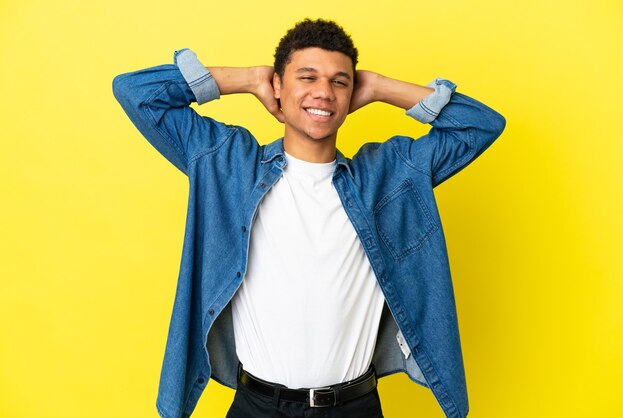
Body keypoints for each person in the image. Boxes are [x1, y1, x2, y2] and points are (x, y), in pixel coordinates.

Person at [113, 18, 505, 418]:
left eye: (340, 82)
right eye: (307, 77)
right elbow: (135, 92)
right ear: (279, 86)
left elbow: (482, 125)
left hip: (354, 408)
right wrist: (248, 79)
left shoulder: (387, 176)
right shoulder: (229, 164)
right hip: (257, 407)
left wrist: (380, 87)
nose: (323, 92)